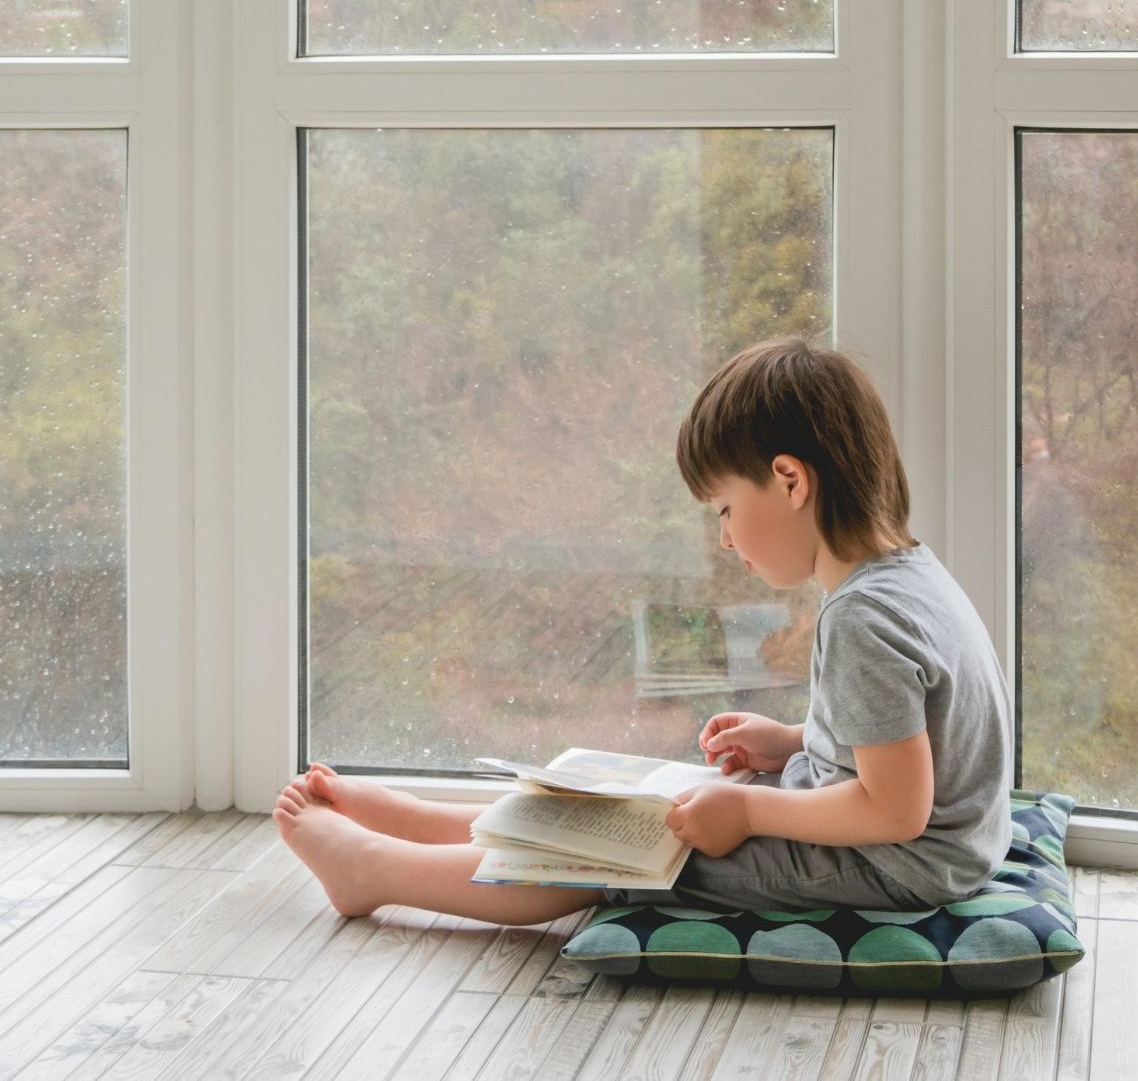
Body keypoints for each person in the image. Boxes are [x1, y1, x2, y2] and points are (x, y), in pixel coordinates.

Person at [273, 336, 1013, 922]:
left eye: (724, 509)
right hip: (929, 844)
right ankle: (420, 820)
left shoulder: (863, 617)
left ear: (791, 481)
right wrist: (790, 741)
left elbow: (895, 807)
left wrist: (753, 806)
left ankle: (375, 873)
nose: (725, 539)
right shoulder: (906, 575)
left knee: (614, 856)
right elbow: (905, 743)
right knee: (629, 815)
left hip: (896, 863)